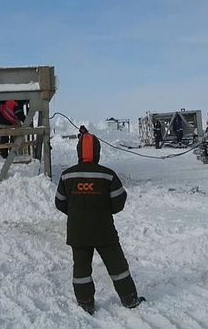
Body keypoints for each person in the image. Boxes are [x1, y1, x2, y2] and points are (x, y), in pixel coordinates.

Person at [55, 130, 145, 315]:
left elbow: (60, 202)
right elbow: (119, 201)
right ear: (97, 152)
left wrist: (75, 213)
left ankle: (85, 303)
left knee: (81, 269)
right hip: (104, 231)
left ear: (79, 151)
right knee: (118, 266)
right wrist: (103, 212)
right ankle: (129, 299)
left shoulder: (67, 176)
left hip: (77, 232)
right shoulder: (108, 175)